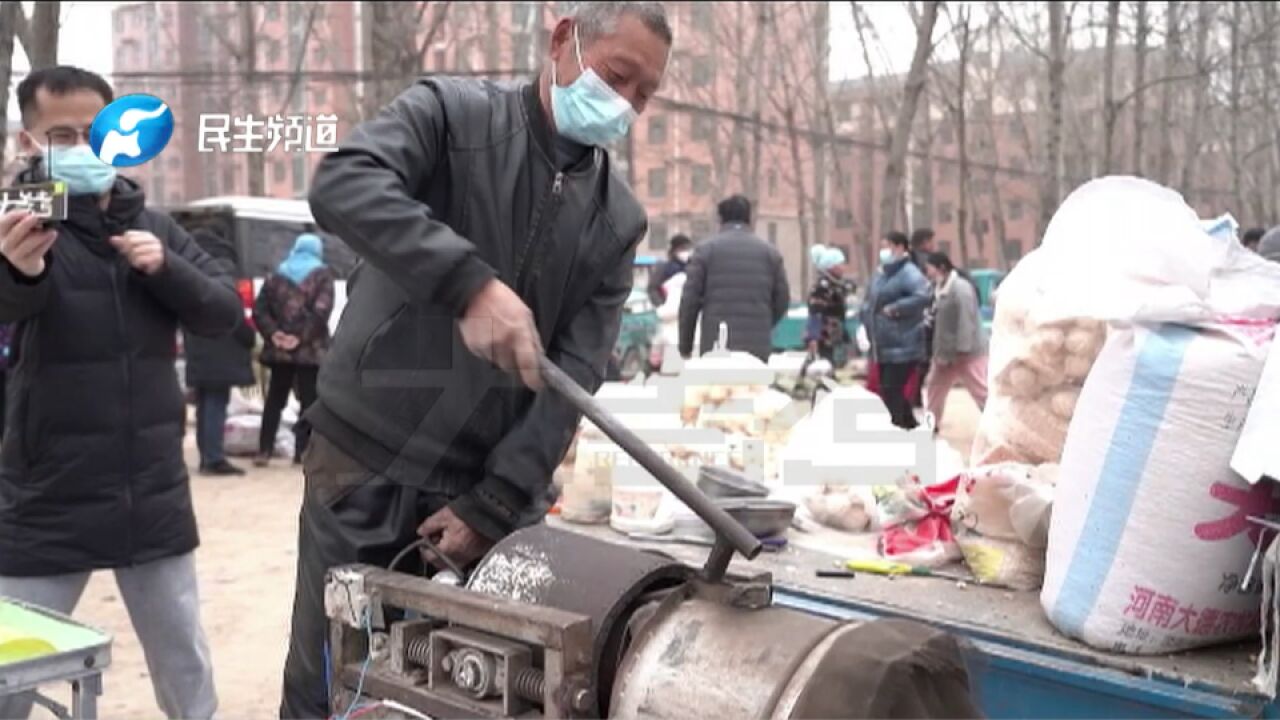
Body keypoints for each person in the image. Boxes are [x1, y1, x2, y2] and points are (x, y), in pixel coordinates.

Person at [279, 3, 671, 716]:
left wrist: (491, 505)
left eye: (644, 95)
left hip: (484, 495)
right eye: (618, 77)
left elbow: (575, 376)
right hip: (365, 461)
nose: (626, 105)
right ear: (562, 40)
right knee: (335, 680)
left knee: (471, 690)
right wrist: (469, 284)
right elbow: (343, 183)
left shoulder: (617, 219)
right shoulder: (452, 116)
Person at [0, 66, 240, 719]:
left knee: (185, 667)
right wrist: (15, 272)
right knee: (12, 675)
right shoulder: (17, 227)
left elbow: (224, 314)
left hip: (150, 494)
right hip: (48, 496)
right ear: (29, 142)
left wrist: (166, 270)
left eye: (94, 131)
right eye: (62, 134)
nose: (82, 146)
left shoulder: (157, 227)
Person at [252, 232, 334, 467]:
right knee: (309, 402)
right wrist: (299, 338)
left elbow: (260, 311)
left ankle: (264, 450)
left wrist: (275, 334)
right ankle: (303, 453)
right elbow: (321, 312)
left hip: (280, 353)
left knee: (274, 400)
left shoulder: (276, 275)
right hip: (310, 352)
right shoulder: (322, 276)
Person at [679, 194, 790, 361]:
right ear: (749, 218)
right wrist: (763, 323)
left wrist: (685, 346)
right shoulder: (770, 253)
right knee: (753, 387)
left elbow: (689, 301)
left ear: (721, 219)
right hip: (757, 347)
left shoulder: (705, 251)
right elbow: (782, 300)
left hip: (716, 346)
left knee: (716, 388)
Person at [184, 227, 257, 476]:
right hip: (221, 351)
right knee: (216, 403)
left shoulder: (189, 269)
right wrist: (248, 338)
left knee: (205, 403)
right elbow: (233, 314)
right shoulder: (225, 273)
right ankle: (214, 458)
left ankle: (207, 455)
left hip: (198, 349)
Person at [862, 231, 932, 430]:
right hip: (883, 344)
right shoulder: (882, 273)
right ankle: (910, 426)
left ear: (901, 247)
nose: (885, 251)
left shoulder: (909, 273)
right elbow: (870, 300)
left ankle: (900, 428)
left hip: (903, 343)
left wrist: (896, 308)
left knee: (891, 389)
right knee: (890, 390)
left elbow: (924, 296)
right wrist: (864, 319)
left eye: (889, 246)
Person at [922, 252, 988, 431]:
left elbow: (966, 320)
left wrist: (963, 349)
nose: (927, 272)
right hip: (945, 353)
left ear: (941, 267)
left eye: (929, 268)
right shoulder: (939, 288)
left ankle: (998, 426)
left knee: (981, 391)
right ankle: (931, 424)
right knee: (935, 389)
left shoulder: (961, 289)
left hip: (967, 353)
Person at [804, 244, 856, 367]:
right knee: (826, 364)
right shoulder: (822, 287)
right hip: (824, 335)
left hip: (835, 333)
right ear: (831, 266)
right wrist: (813, 337)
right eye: (840, 263)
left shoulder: (836, 283)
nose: (843, 267)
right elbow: (815, 312)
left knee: (836, 364)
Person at [647, 233, 692, 306]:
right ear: (674, 250)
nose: (685, 252)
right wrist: (661, 305)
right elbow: (652, 288)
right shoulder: (664, 267)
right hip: (669, 310)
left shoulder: (694, 267)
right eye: (682, 249)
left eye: (687, 249)